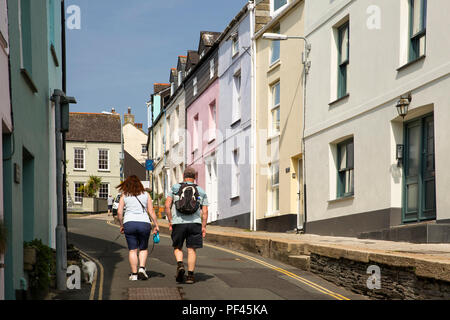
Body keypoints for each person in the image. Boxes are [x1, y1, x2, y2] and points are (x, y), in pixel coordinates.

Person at [165, 167, 208, 284]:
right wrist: (203, 226)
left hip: (178, 222)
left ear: (183, 176)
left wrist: (170, 221)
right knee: (191, 249)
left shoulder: (175, 188)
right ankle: (190, 276)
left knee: (177, 247)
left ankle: (180, 265)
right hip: (195, 223)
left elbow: (167, 206)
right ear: (195, 177)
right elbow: (205, 212)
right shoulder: (201, 191)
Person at [117, 175, 159, 281]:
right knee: (143, 248)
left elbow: (119, 212)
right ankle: (141, 269)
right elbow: (151, 211)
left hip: (129, 224)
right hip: (144, 223)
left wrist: (121, 225)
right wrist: (156, 225)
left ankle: (134, 274)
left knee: (132, 250)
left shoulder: (124, 195)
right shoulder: (146, 194)